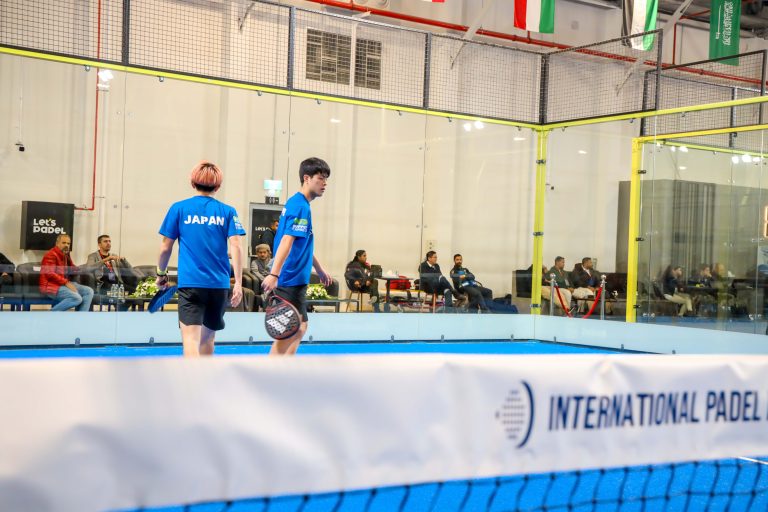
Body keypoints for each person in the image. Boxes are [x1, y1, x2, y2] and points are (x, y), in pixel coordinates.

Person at [157, 161, 245, 357]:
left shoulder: (178, 208)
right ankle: (205, 375)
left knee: (191, 339)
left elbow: (165, 248)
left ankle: (193, 376)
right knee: (208, 339)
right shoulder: (228, 211)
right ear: (218, 186)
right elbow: (237, 246)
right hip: (219, 285)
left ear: (192, 183)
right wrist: (238, 283)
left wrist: (161, 273)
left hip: (191, 284)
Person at [261, 157, 332, 356]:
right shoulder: (300, 206)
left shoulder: (299, 204)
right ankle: (271, 370)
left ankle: (285, 367)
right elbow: (287, 240)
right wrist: (274, 275)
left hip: (296, 279)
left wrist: (319, 269)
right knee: (287, 332)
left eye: (326, 179)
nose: (325, 183)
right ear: (307, 178)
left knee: (300, 327)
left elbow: (303, 243)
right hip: (289, 279)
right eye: (320, 178)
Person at [40, 234, 94, 311]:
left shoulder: (65, 254)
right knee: (76, 298)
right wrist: (66, 283)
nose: (66, 245)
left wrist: (84, 269)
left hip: (64, 284)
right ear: (57, 243)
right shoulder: (50, 255)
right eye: (64, 243)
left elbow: (72, 268)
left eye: (68, 243)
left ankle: (81, 317)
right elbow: (50, 274)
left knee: (89, 291)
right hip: (51, 286)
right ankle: (50, 315)